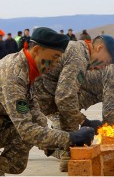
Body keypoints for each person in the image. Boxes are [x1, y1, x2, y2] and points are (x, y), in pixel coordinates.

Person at [0, 27, 95, 176]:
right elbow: (26, 129)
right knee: (27, 133)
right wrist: (70, 137)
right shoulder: (14, 75)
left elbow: (32, 110)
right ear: (37, 50)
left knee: (18, 161)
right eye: (55, 57)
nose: (56, 63)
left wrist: (50, 142)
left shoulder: (26, 68)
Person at [32, 34, 114, 171]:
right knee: (17, 152)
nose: (103, 67)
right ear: (100, 48)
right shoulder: (78, 57)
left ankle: (65, 154)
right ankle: (67, 154)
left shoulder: (80, 53)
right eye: (106, 61)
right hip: (26, 102)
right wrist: (85, 122)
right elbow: (65, 98)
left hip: (35, 101)